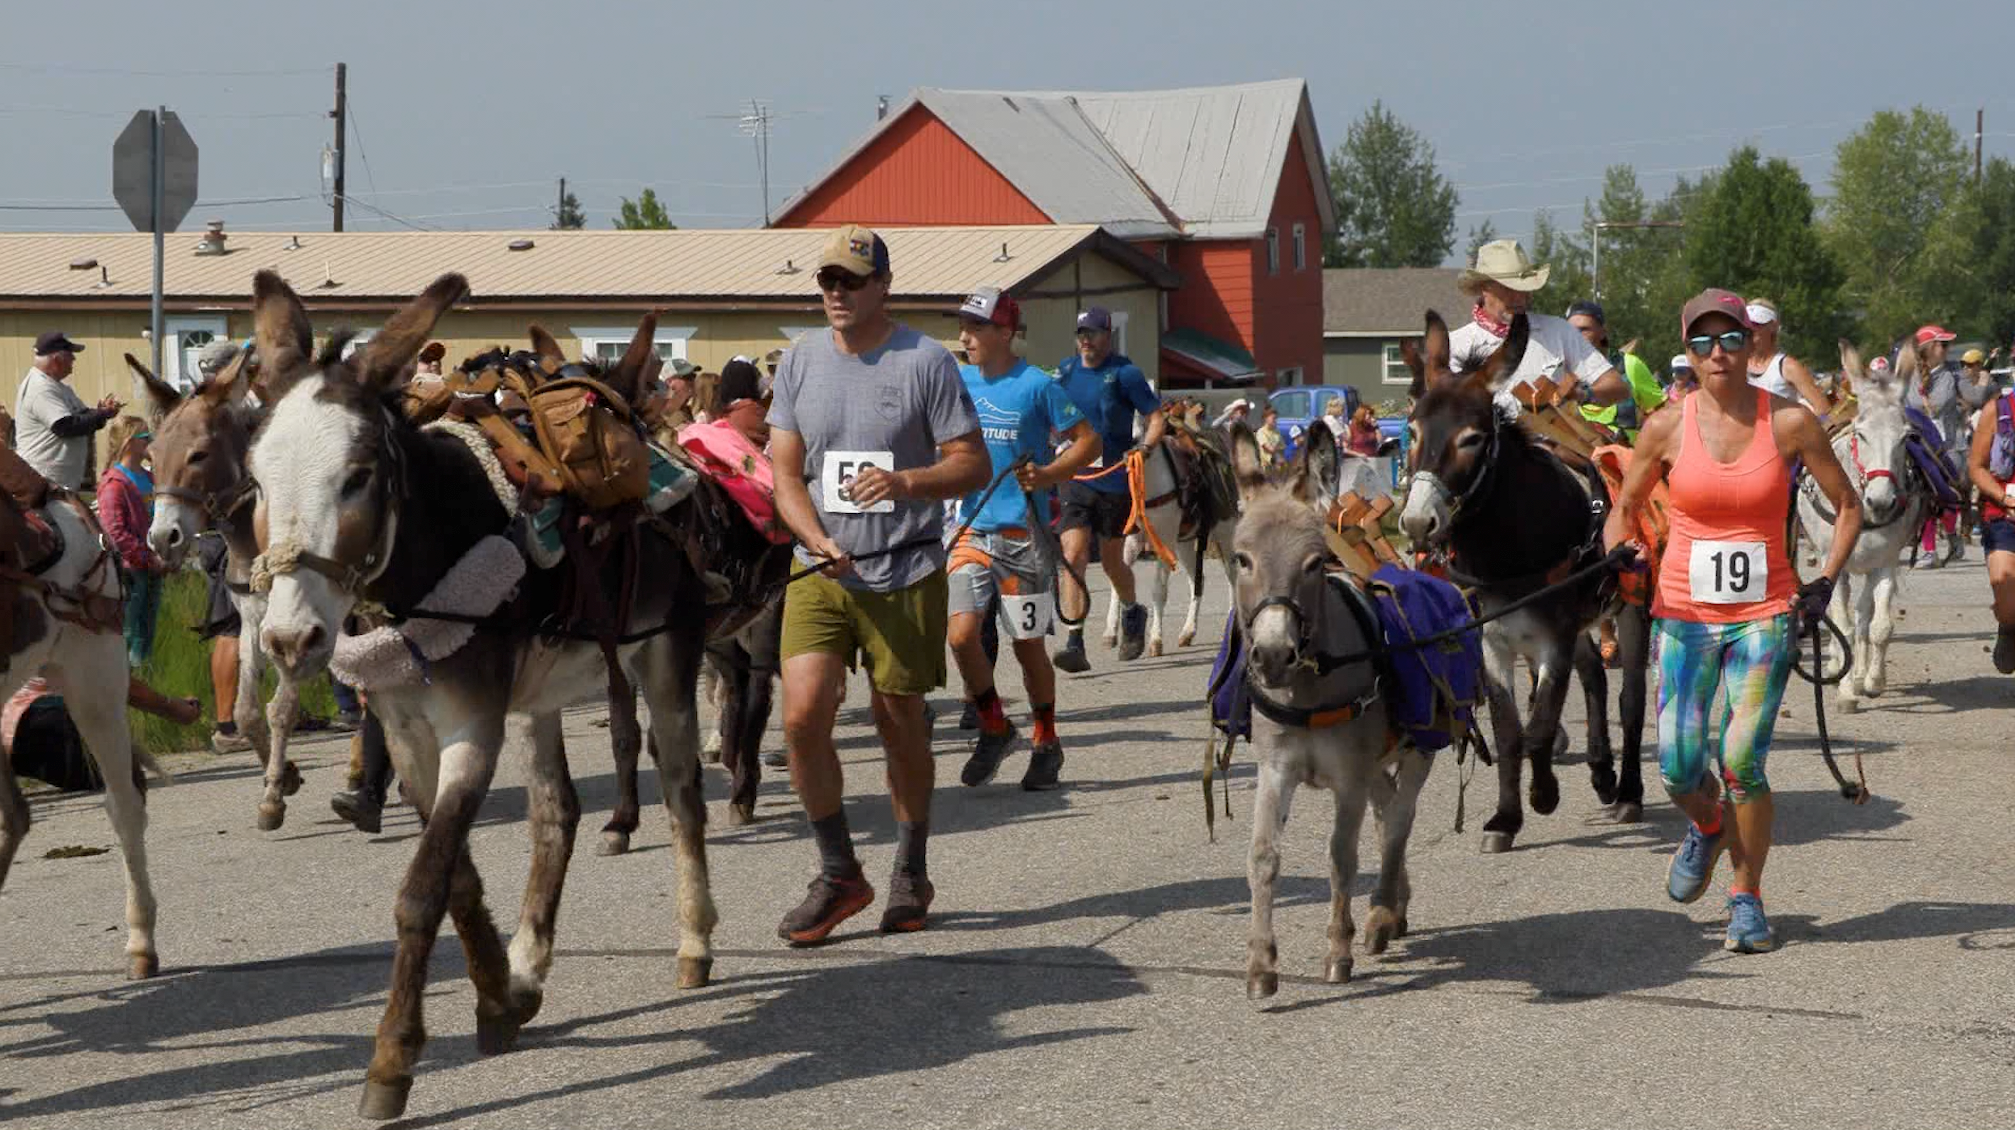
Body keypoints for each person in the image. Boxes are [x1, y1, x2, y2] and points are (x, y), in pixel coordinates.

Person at [1604, 288, 1862, 955]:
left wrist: (1824, 582)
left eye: (1728, 340)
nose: (1715, 354)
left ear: (1752, 345)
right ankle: (1709, 825)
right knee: (1676, 767)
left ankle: (1745, 898)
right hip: (1684, 616)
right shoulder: (1663, 426)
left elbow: (1847, 507)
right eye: (1700, 343)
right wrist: (1618, 551)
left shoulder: (1790, 423)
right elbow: (1624, 508)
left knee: (1742, 759)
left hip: (1765, 615)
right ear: (1686, 352)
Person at [767, 224, 987, 943]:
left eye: (850, 280)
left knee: (899, 726)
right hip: (820, 571)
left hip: (906, 567)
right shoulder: (798, 361)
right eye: (827, 280)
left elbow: (971, 464)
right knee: (801, 717)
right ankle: (838, 874)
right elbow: (785, 473)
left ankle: (909, 868)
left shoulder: (924, 361)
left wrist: (906, 480)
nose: (835, 292)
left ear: (882, 287)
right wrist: (813, 537)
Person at [945, 286, 1098, 792]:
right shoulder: (958, 380)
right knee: (962, 636)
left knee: (1027, 647)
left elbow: (1088, 441)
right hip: (972, 529)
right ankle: (994, 724)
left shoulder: (1036, 385)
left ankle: (1046, 740)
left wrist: (1051, 475)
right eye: (963, 327)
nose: (964, 337)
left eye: (975, 328)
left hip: (1023, 537)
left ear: (1005, 333)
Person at [1052, 306, 1166, 672]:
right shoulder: (1066, 371)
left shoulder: (1125, 373)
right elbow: (1047, 410)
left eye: (1094, 333)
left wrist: (1146, 448)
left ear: (1108, 335)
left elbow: (1156, 416)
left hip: (1115, 478)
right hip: (1075, 478)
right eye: (1081, 333)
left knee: (1114, 561)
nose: (1086, 340)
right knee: (1073, 555)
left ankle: (1133, 611)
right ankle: (1074, 639)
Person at [1450, 241, 1628, 417]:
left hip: (1551, 442)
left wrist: (1582, 394)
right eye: (1509, 288)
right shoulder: (1455, 345)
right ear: (1484, 288)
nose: (1520, 298)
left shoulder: (1558, 331)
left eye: (1525, 288)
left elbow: (1617, 388)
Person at [94, 417, 164, 668]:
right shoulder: (115, 483)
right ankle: (126, 683)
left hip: (155, 564)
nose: (150, 441)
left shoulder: (151, 478)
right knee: (130, 630)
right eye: (145, 437)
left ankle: (144, 676)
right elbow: (116, 533)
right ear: (128, 443)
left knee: (146, 626)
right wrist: (146, 559)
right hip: (131, 570)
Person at [15, 331, 120, 491]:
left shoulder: (58, 387)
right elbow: (65, 427)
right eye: (70, 355)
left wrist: (101, 413)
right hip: (42, 484)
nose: (74, 359)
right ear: (57, 360)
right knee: (76, 518)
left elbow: (82, 418)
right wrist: (102, 414)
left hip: (57, 484)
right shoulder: (40, 389)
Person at [1907, 325, 1970, 568]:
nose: (1947, 349)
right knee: (1924, 496)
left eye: (1947, 345)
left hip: (1949, 446)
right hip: (1921, 444)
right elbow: (1909, 405)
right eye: (1942, 345)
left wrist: (1921, 402)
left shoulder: (1948, 375)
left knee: (1946, 495)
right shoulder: (1911, 376)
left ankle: (1953, 537)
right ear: (1928, 349)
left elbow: (1937, 405)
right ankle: (1930, 551)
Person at [1965, 370, 2015, 673]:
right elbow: (1977, 467)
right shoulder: (1998, 410)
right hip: (2003, 513)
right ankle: (2009, 627)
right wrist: (2006, 500)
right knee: (2006, 592)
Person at [1565, 300, 1665, 439]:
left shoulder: (1629, 366)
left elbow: (1663, 413)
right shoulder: (1560, 373)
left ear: (1603, 332)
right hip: (1575, 456)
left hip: (1630, 455)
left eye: (1584, 329)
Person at [1742, 299, 1833, 416]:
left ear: (1772, 327)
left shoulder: (1789, 367)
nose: (1751, 330)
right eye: (1746, 325)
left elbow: (1823, 408)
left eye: (1756, 324)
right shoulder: (1736, 363)